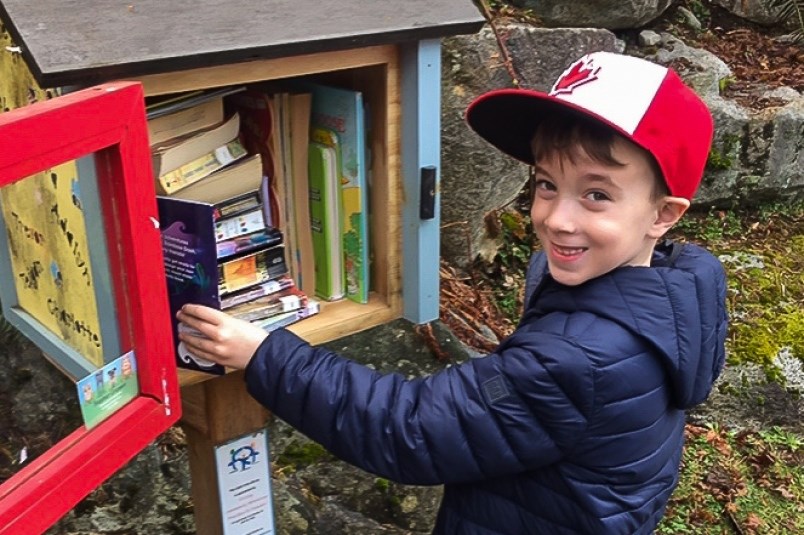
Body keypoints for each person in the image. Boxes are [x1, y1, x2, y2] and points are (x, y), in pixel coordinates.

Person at [177, 51, 728, 534]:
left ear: (663, 214)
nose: (557, 219)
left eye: (597, 195)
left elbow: (410, 429)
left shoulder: (578, 358)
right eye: (546, 184)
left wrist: (264, 354)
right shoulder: (678, 284)